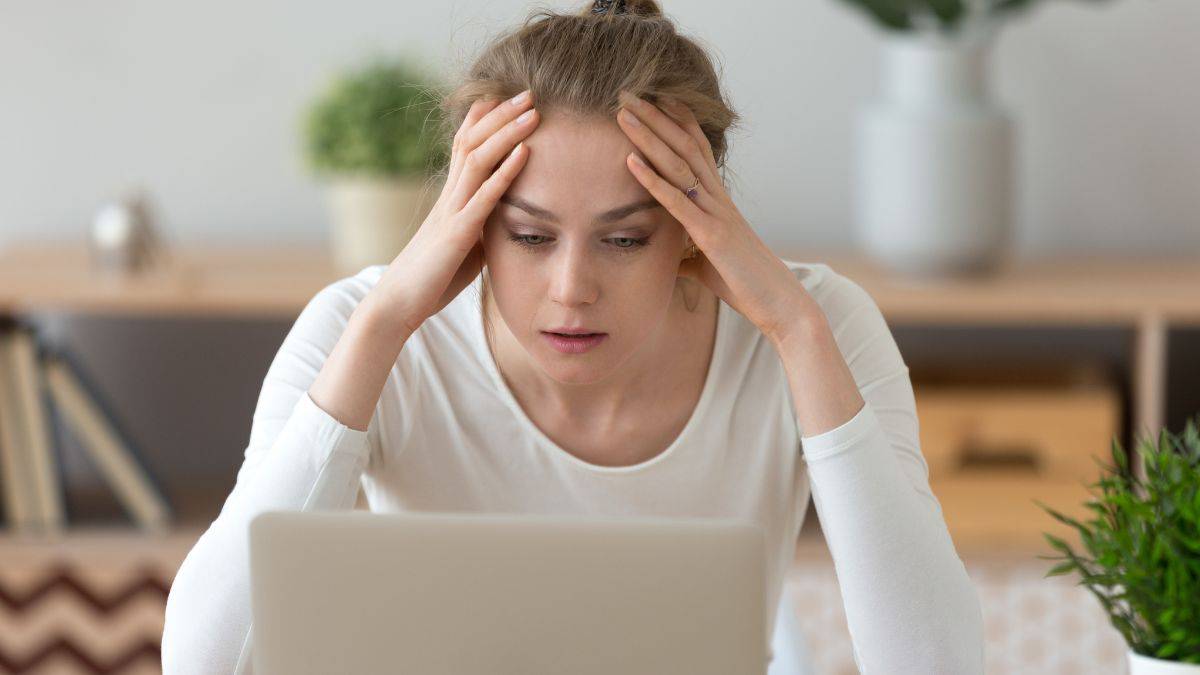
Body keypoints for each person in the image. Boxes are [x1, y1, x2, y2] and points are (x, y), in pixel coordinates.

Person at [161, 0, 985, 672]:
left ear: (695, 228)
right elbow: (202, 662)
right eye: (527, 235)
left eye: (625, 239)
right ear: (474, 222)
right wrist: (383, 325)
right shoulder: (362, 330)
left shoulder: (817, 329)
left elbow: (936, 665)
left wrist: (799, 333)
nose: (571, 291)